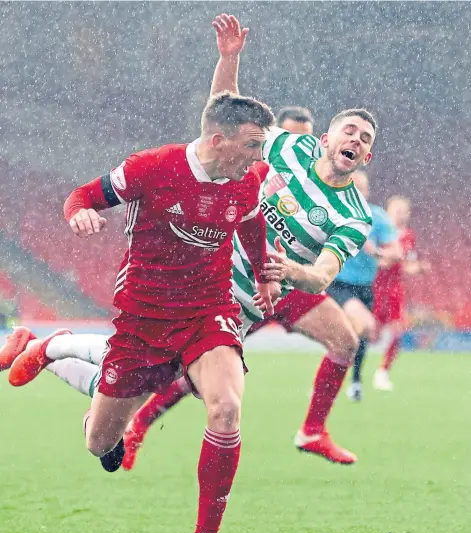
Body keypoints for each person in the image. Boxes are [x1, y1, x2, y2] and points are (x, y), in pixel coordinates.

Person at [7, 15, 377, 474]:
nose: (356, 140)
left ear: (367, 156)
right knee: (179, 381)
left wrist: (289, 272)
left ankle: (311, 431)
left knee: (344, 341)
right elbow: (227, 117)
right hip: (224, 285)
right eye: (350, 131)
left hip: (281, 285)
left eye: (365, 139)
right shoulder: (289, 148)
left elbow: (322, 274)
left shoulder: (354, 214)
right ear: (326, 138)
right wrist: (229, 59)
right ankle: (113, 402)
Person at [10, 88, 281, 533]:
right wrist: (80, 214)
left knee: (227, 409)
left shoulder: (249, 178)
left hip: (208, 313)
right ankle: (59, 347)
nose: (261, 156)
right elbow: (83, 195)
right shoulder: (152, 167)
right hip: (144, 317)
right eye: (254, 144)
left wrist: (261, 274)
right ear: (220, 140)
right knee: (100, 443)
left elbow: (251, 222)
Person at [326, 171, 402, 401]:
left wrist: (375, 251)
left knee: (352, 336)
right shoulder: (334, 212)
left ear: (367, 192)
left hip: (364, 287)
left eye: (362, 188)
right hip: (338, 284)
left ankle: (353, 381)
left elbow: (396, 253)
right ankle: (337, 380)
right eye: (353, 187)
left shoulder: (377, 217)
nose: (358, 192)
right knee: (365, 326)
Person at [372, 195, 429, 391]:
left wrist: (418, 268)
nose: (401, 215)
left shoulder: (408, 236)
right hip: (373, 287)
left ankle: (382, 372)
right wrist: (389, 259)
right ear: (388, 212)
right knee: (369, 333)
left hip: (394, 289)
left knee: (398, 330)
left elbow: (404, 265)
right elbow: (382, 261)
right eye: (397, 211)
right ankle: (345, 370)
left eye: (404, 211)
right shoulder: (380, 232)